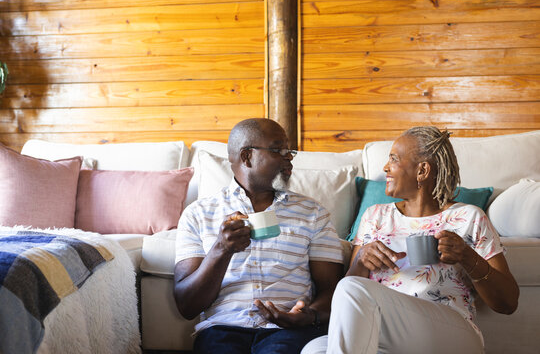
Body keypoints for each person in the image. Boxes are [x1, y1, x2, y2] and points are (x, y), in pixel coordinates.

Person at [302, 126, 519, 354]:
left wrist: (467, 256)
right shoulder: (375, 216)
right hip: (387, 334)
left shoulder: (468, 217)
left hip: (450, 332)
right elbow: (350, 297)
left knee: (350, 290)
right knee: (314, 350)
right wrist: (361, 261)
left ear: (422, 170)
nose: (385, 167)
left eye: (394, 159)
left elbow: (508, 303)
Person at [173, 118, 344, 354]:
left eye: (289, 151)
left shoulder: (313, 213)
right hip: (222, 330)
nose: (289, 157)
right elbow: (187, 305)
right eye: (278, 149)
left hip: (288, 331)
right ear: (247, 157)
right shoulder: (198, 214)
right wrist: (221, 250)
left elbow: (331, 289)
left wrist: (309, 316)